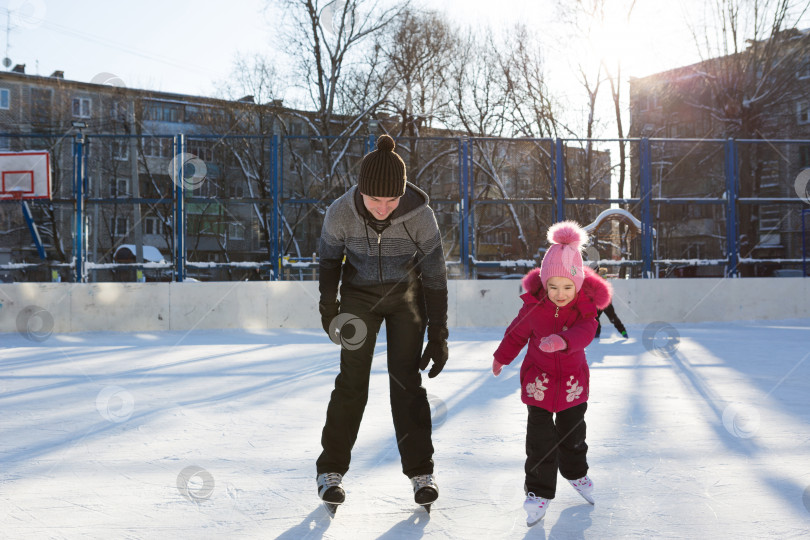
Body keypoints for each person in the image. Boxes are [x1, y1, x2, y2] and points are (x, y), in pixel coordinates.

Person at [315, 134, 449, 515]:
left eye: (391, 200)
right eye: (375, 199)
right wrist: (329, 308)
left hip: (407, 299)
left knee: (406, 383)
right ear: (361, 190)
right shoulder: (340, 212)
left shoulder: (420, 215)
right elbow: (328, 263)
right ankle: (331, 471)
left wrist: (438, 333)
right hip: (359, 299)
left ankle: (422, 474)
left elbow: (436, 278)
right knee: (352, 381)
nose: (383, 207)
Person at [491, 221, 612, 526]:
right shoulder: (534, 308)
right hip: (539, 383)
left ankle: (576, 473)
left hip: (572, 383)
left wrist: (564, 339)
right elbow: (516, 334)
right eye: (553, 286)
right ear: (544, 283)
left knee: (573, 436)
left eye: (568, 286)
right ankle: (538, 492)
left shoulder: (584, 309)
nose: (560, 294)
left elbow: (587, 331)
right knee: (539, 440)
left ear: (579, 284)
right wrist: (501, 357)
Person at [595, 267, 627, 338]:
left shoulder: (602, 283)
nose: (604, 277)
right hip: (599, 304)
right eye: (603, 276)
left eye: (604, 276)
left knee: (612, 318)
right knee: (595, 317)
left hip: (606, 303)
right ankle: (597, 333)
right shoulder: (596, 283)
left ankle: (623, 332)